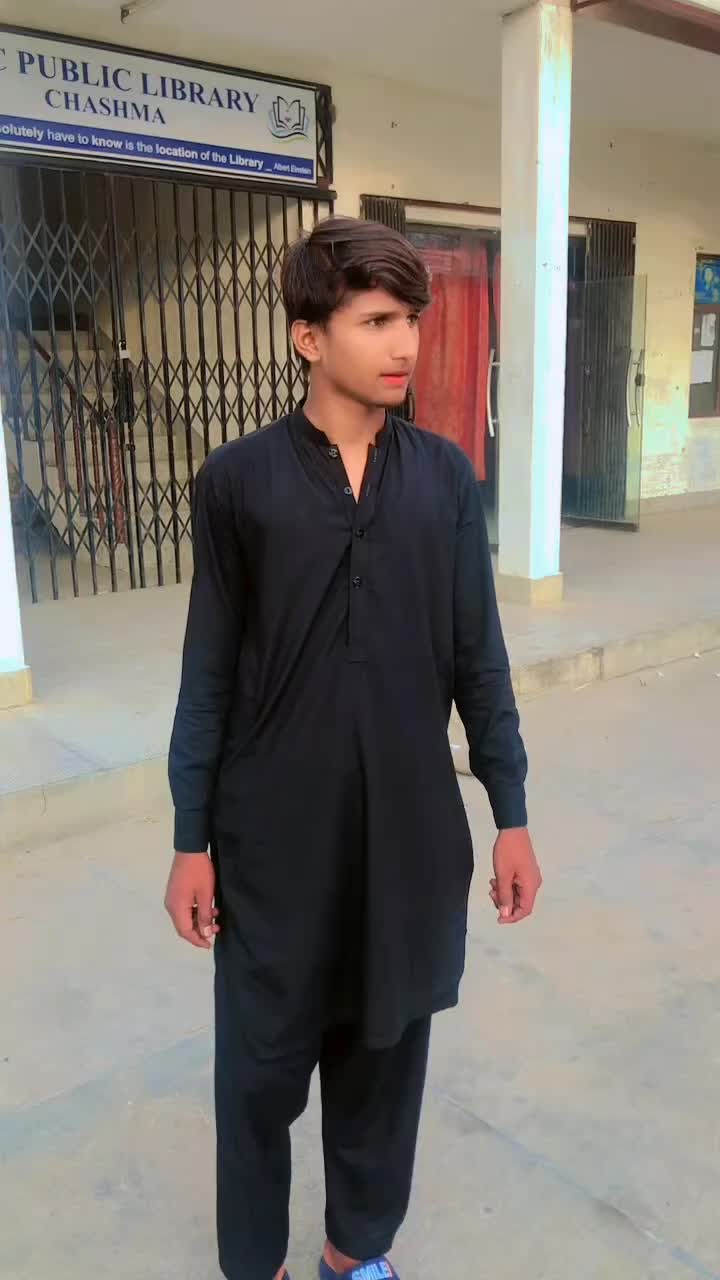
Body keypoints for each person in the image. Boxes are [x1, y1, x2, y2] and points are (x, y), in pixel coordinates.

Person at [164, 215, 542, 1280]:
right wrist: (192, 838)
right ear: (308, 336)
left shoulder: (444, 478)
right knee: (258, 1076)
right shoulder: (238, 482)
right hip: (272, 841)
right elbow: (208, 673)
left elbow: (480, 660)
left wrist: (511, 813)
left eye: (411, 319)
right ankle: (258, 1264)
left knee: (385, 1064)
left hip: (410, 836)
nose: (405, 343)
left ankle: (353, 1252)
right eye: (376, 320)